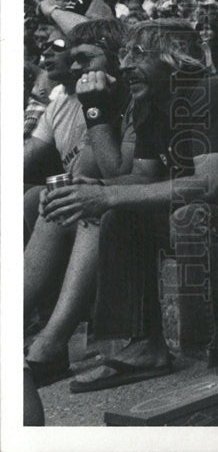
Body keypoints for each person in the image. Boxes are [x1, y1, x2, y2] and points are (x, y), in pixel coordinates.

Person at [51, 20, 218, 391]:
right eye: (125, 54)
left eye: (138, 54)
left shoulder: (209, 92)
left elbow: (207, 185)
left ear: (173, 59)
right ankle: (144, 345)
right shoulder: (150, 105)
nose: (125, 64)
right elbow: (143, 179)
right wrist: (98, 188)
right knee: (120, 216)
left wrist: (108, 193)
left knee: (190, 215)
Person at [25, 20, 132, 387]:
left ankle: (52, 343)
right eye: (72, 61)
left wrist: (96, 109)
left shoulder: (134, 94)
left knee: (89, 210)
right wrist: (93, 105)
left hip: (156, 202)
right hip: (123, 196)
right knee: (53, 203)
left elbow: (115, 174)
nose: (74, 69)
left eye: (85, 60)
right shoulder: (88, 97)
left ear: (117, 58)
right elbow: (85, 168)